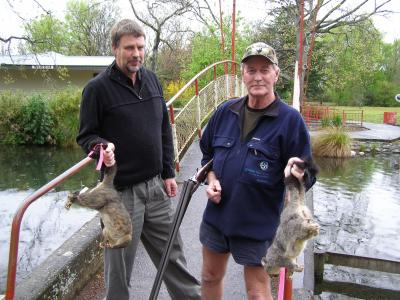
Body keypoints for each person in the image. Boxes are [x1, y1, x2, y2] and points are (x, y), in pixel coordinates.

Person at [77, 19, 201, 300]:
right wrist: (100, 147)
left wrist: (168, 172)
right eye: (129, 48)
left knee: (173, 256)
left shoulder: (152, 80)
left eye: (141, 47)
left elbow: (163, 128)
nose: (136, 54)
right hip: (119, 195)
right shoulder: (97, 89)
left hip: (155, 188)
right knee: (119, 271)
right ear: (115, 48)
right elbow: (86, 136)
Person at [199, 42, 316, 299]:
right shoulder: (224, 112)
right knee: (209, 277)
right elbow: (207, 155)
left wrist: (297, 173)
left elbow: (309, 173)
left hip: (258, 224)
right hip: (217, 218)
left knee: (257, 293)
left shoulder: (289, 121)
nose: (258, 76)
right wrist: (212, 179)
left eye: (265, 69)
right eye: (251, 70)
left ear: (276, 74)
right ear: (243, 75)